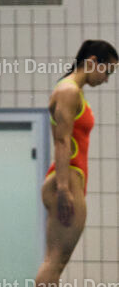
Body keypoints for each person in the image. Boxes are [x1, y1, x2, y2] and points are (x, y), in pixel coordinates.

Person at [33, 39, 118, 286]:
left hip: (69, 179)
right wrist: (62, 189)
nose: (107, 80)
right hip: (66, 180)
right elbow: (62, 141)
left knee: (55, 261)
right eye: (108, 72)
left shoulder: (73, 91)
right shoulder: (68, 91)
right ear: (93, 62)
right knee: (55, 261)